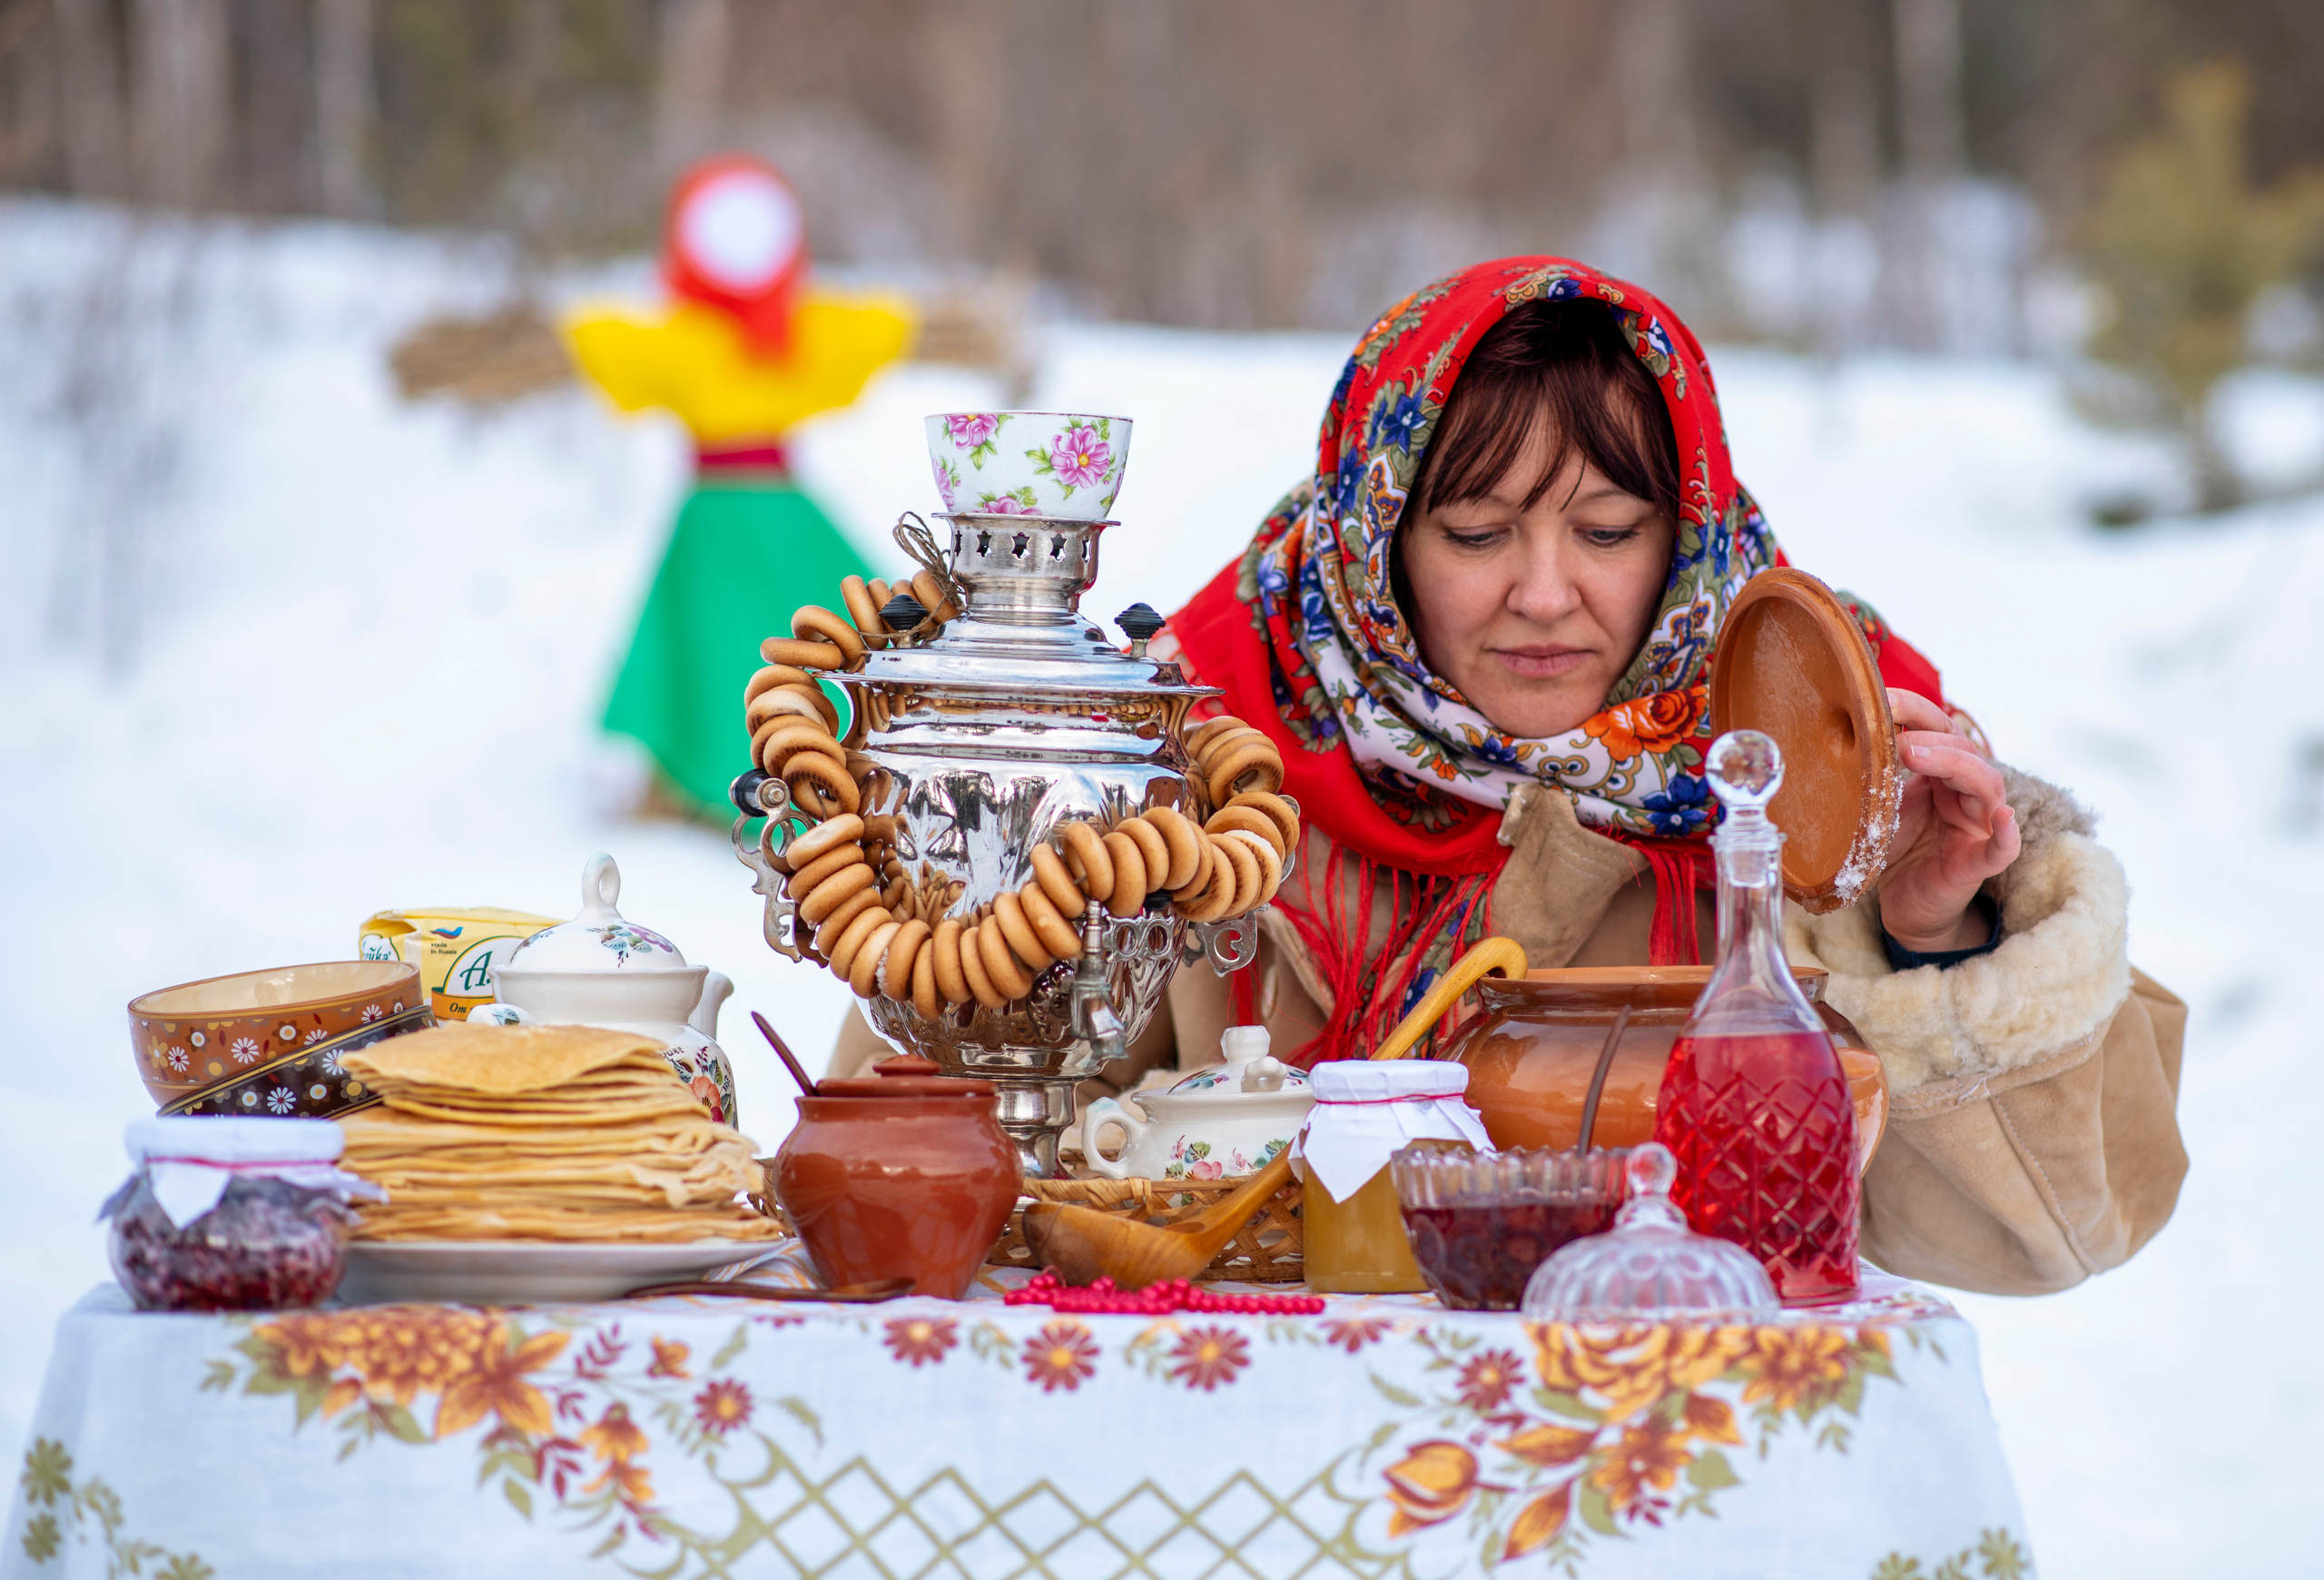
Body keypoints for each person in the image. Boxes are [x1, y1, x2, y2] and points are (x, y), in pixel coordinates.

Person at [833, 256, 2187, 1296]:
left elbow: (2053, 1232)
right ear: (1373, 535)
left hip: (1644, 1469)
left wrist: (1936, 930)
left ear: (1685, 530)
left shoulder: (1796, 775)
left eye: (1607, 528)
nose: (1548, 595)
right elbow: (934, 1155)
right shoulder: (1202, 744)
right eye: (1477, 531)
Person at [567, 157, 913, 815]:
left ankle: (748, 778)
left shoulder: (697, 339)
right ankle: (776, 775)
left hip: (722, 512)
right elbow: (877, 328)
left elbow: (603, 342)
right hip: (771, 511)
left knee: (717, 641)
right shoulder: (774, 335)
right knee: (775, 634)